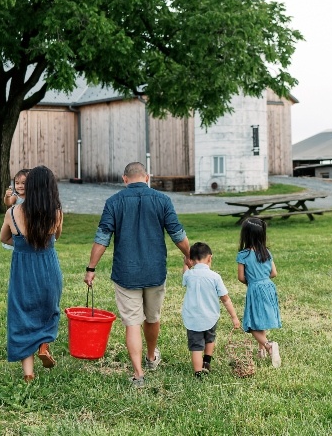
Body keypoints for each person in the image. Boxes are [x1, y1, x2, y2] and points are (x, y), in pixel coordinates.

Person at [84, 161, 191, 388]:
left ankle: (138, 374)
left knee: (132, 323)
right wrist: (190, 257)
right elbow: (177, 233)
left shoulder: (114, 202)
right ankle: (151, 357)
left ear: (124, 179)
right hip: (155, 271)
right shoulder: (163, 200)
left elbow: (102, 237)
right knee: (152, 317)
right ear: (147, 177)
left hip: (126, 273)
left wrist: (91, 268)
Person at [0, 165, 64, 381]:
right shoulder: (56, 213)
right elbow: (56, 238)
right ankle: (43, 346)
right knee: (49, 310)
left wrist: (20, 244)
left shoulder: (12, 213)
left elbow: (4, 238)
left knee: (21, 316)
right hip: (48, 268)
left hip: (22, 270)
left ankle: (28, 373)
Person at [181, 242, 241, 378]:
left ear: (191, 259)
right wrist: (234, 317)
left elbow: (184, 276)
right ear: (210, 258)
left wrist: (185, 264)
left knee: (196, 346)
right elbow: (225, 299)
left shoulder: (189, 275)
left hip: (192, 318)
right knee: (210, 338)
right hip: (210, 317)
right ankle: (206, 362)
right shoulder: (215, 277)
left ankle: (198, 373)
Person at [236, 217, 282, 368]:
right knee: (261, 317)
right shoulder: (266, 252)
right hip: (269, 287)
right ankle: (261, 350)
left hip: (255, 288)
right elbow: (274, 273)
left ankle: (269, 345)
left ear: (245, 235)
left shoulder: (243, 255)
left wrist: (253, 282)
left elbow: (241, 277)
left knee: (251, 324)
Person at [2, 168, 30, 250]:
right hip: (18, 221)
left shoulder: (32, 197)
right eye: (17, 183)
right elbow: (8, 202)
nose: (20, 186)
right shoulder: (16, 196)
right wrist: (7, 196)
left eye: (23, 183)